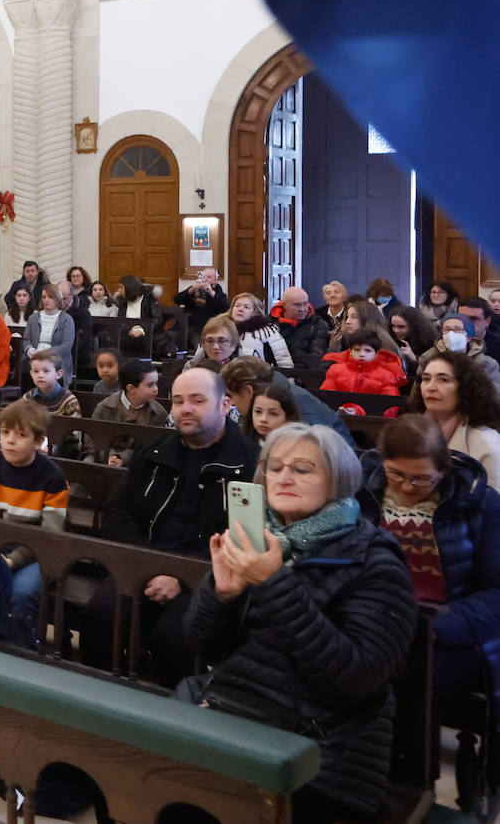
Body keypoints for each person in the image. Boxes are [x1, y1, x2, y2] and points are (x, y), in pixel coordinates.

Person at [179, 423, 416, 822]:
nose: (284, 477)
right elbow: (200, 645)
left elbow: (351, 677)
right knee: (137, 776)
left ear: (337, 479)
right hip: (234, 715)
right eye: (274, 467)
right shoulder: (259, 538)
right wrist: (222, 596)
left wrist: (272, 583)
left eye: (303, 469)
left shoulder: (375, 561)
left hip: (324, 750)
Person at [84, 368, 260, 687]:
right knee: (100, 615)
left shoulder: (248, 464)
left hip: (205, 580)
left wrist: (182, 577)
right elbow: (118, 512)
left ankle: (172, 721)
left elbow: (244, 540)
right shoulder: (154, 451)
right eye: (178, 401)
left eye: (197, 400)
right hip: (144, 564)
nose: (185, 409)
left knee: (174, 637)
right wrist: (151, 566)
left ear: (224, 405)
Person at [358, 415, 500, 759]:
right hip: (378, 622)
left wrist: (436, 625)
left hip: (452, 633)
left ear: (444, 467)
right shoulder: (364, 494)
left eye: (422, 479)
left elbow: (495, 591)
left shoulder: (480, 503)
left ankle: (411, 782)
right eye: (397, 475)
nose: (406, 487)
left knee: (405, 673)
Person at [0, 398, 71, 631]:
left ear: (38, 441)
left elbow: (49, 535)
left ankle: (20, 647)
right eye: (5, 432)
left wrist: (12, 561)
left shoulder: (52, 478)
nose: (9, 440)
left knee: (21, 593)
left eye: (20, 435)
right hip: (1, 545)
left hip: (40, 552)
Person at [407, 351, 500, 490]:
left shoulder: (486, 443)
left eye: (443, 380)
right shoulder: (413, 431)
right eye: (426, 379)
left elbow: (493, 505)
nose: (431, 387)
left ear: (465, 387)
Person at [221, 355, 355, 447]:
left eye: (231, 396)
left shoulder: (295, 403)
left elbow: (318, 454)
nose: (231, 404)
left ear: (248, 391)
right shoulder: (272, 399)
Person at [91, 358, 168, 466]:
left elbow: (153, 446)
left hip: (138, 465)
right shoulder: (105, 407)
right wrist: (110, 456)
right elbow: (93, 438)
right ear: (131, 388)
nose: (156, 389)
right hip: (103, 459)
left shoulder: (158, 413)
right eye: (150, 385)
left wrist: (123, 458)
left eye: (156, 383)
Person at [420, 312, 500, 396]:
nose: (451, 334)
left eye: (457, 329)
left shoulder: (486, 363)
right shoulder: (428, 358)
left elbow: (495, 395)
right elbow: (419, 391)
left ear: (469, 336)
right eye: (447, 330)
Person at [320, 327, 405, 395]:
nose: (362, 354)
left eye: (367, 350)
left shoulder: (388, 376)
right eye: (357, 350)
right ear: (350, 350)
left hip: (370, 416)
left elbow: (389, 406)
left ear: (376, 353)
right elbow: (326, 396)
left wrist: (357, 411)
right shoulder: (335, 370)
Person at [22, 284, 76, 386]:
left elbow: (66, 346)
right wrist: (29, 350)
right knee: (25, 366)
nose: (46, 300)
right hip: (34, 358)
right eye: (44, 297)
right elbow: (26, 339)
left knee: (49, 369)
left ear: (57, 298)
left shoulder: (66, 319)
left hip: (56, 360)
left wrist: (46, 353)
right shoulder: (33, 318)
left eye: (50, 297)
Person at [229, 292, 294, 367]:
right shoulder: (223, 328)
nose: (240, 309)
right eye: (237, 306)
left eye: (246, 307)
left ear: (255, 312)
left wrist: (288, 378)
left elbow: (283, 359)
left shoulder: (267, 331)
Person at [270, 286, 329, 365]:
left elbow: (315, 358)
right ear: (284, 304)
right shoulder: (269, 324)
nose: (302, 309)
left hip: (305, 373)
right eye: (297, 305)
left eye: (305, 304)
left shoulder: (318, 324)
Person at [173, 267, 230, 344]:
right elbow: (176, 300)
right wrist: (192, 290)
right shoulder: (194, 289)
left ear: (215, 280)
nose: (205, 279)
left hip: (206, 326)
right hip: (188, 324)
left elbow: (226, 307)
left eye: (209, 277)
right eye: (203, 276)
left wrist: (211, 292)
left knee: (199, 338)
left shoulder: (217, 292)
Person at [327, 297, 399, 355]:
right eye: (347, 317)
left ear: (368, 319)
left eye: (354, 317)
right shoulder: (344, 341)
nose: (347, 322)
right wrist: (334, 347)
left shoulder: (386, 349)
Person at [24, 349, 80, 418]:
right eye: (36, 371)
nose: (40, 375)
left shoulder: (69, 401)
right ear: (31, 374)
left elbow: (76, 427)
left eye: (46, 371)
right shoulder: (27, 398)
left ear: (58, 374)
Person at [388, 304, 439, 373]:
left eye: (401, 327)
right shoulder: (389, 338)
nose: (396, 330)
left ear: (413, 326)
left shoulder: (429, 342)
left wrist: (413, 359)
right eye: (393, 326)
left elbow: (431, 370)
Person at [57, 279, 93, 373]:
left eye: (64, 298)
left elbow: (84, 339)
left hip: (76, 354)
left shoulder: (83, 313)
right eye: (58, 298)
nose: (61, 302)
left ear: (72, 296)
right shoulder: (51, 311)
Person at [458, 294, 500, 365]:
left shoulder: (498, 346)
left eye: (473, 319)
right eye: (462, 317)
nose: (466, 323)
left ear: (487, 321)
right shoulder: (448, 342)